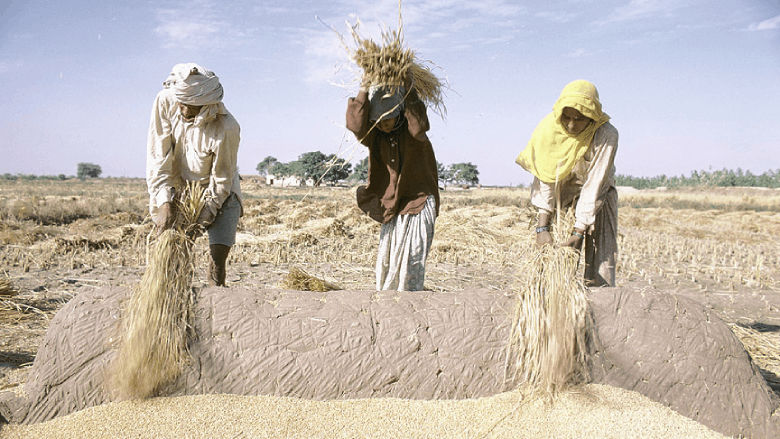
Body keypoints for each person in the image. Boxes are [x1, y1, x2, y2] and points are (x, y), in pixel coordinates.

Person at [146, 63, 242, 287]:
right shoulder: (165, 102)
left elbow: (221, 180)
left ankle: (216, 286)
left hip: (217, 189)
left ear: (208, 104)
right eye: (181, 104)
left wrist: (205, 215)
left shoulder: (226, 128)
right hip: (178, 186)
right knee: (174, 251)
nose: (184, 111)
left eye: (192, 107)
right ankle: (174, 292)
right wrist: (165, 202)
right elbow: (158, 157)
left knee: (217, 258)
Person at [515, 79, 619, 287]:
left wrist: (579, 231)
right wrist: (542, 227)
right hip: (560, 196)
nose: (571, 125)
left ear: (592, 117)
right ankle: (550, 303)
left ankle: (598, 309)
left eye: (579, 119)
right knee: (551, 259)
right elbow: (545, 178)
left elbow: (595, 185)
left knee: (601, 263)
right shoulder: (548, 129)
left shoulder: (606, 134)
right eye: (567, 117)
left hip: (598, 196)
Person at [346, 79, 440, 291]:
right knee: (387, 264)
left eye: (386, 120)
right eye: (377, 121)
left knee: (412, 261)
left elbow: (418, 124)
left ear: (398, 113)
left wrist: (408, 87)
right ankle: (389, 309)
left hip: (419, 202)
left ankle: (410, 306)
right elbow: (356, 125)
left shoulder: (413, 133)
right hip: (393, 207)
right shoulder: (375, 136)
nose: (382, 125)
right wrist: (364, 89)